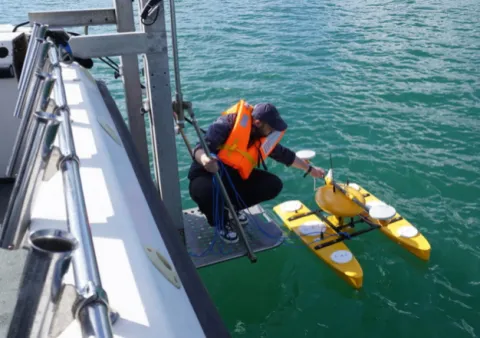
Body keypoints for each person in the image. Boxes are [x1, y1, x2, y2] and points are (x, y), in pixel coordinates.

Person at [187, 100, 325, 243]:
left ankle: (230, 208)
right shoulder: (225, 124)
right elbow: (198, 149)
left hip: (232, 177)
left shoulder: (262, 137)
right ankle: (220, 222)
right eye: (271, 128)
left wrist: (310, 169)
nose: (272, 132)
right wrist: (205, 160)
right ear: (258, 122)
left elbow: (285, 155)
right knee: (206, 191)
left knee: (273, 184)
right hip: (206, 174)